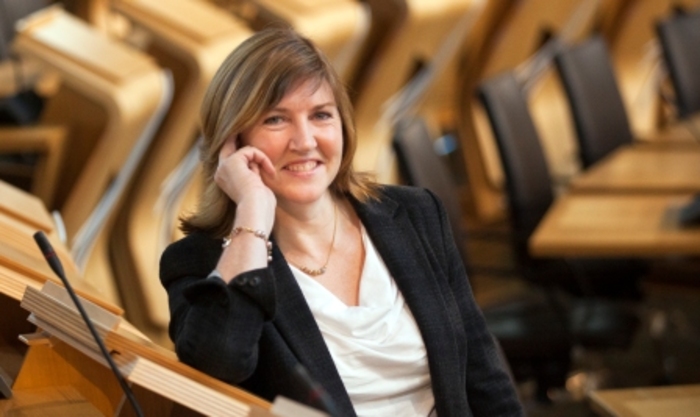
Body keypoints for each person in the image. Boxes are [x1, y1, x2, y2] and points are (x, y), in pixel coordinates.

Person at [159, 26, 523, 417]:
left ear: (343, 126)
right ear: (233, 140)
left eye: (320, 115)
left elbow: (484, 376)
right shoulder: (203, 263)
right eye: (275, 119)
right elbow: (219, 365)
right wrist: (251, 211)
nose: (305, 141)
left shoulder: (415, 214)